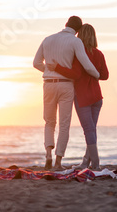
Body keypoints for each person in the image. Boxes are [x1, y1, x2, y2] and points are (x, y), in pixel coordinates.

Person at [33, 16, 100, 170]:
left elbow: (36, 63)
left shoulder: (47, 39)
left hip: (48, 84)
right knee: (64, 124)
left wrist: (49, 71)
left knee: (49, 122)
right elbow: (86, 64)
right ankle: (58, 162)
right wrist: (97, 75)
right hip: (66, 85)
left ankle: (48, 155)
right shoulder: (76, 41)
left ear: (65, 24)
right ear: (78, 31)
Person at [47, 24, 109, 171]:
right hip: (97, 97)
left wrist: (57, 67)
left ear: (79, 37)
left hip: (82, 97)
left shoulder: (78, 54)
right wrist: (94, 74)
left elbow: (75, 74)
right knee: (92, 130)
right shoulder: (99, 54)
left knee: (88, 130)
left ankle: (95, 163)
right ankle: (85, 162)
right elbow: (105, 75)